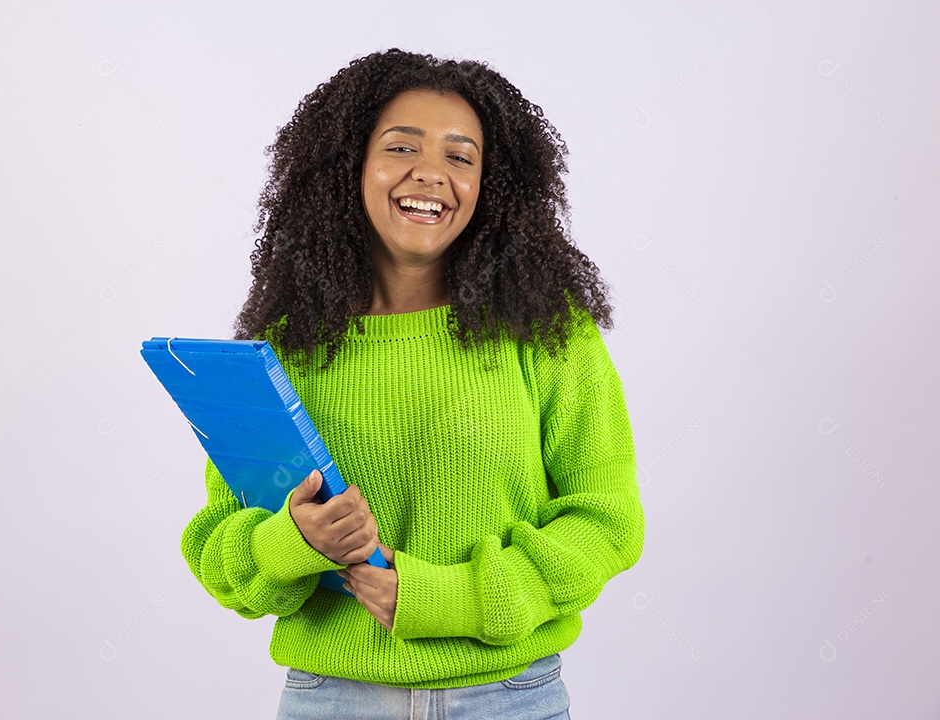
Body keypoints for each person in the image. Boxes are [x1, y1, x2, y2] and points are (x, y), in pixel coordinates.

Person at [179, 48, 645, 720]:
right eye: (401, 147)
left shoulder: (548, 330)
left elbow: (608, 522)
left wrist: (446, 597)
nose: (431, 172)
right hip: (331, 699)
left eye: (461, 156)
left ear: (494, 185)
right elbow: (223, 549)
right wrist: (298, 542)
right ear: (350, 167)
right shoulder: (288, 342)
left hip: (511, 698)